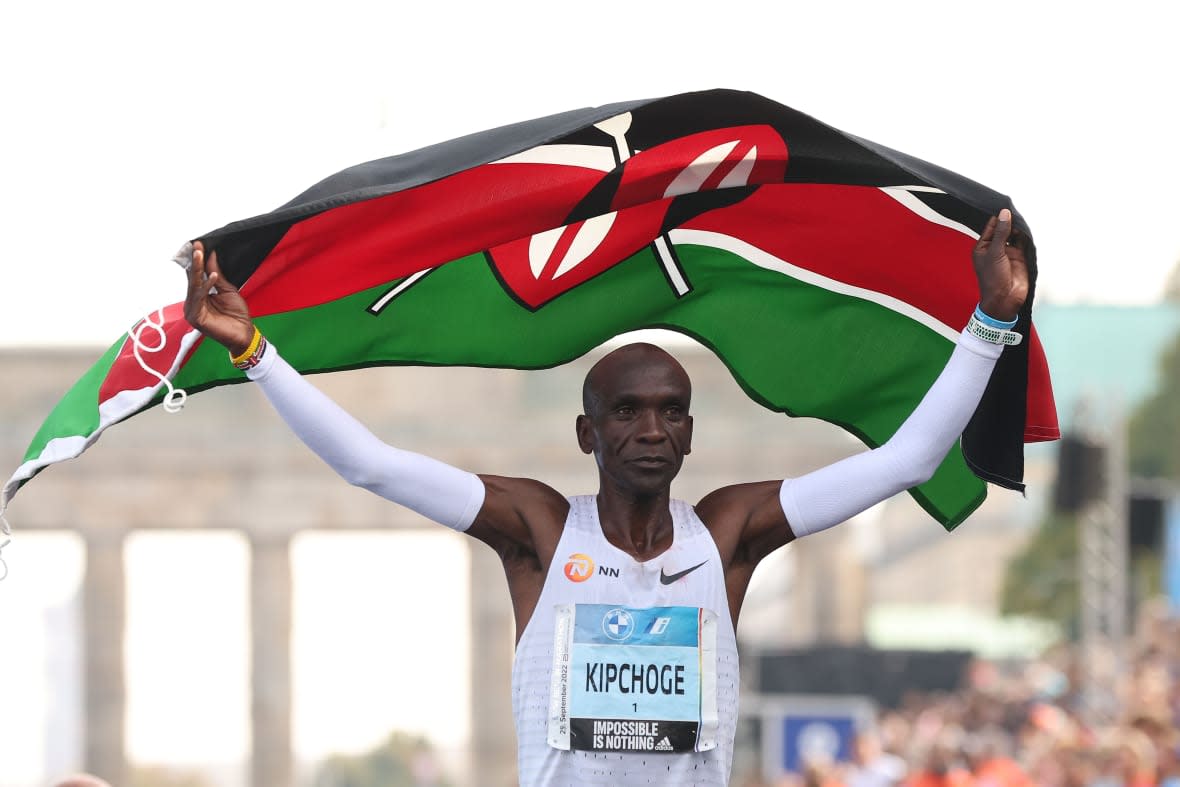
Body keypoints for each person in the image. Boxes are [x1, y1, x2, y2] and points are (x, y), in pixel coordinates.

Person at [183, 210, 1029, 787]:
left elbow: (908, 460)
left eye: (670, 412)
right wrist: (255, 348)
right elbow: (371, 464)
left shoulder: (729, 532)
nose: (650, 429)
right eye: (626, 412)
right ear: (588, 435)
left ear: (692, 435)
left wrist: (992, 321)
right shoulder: (541, 531)